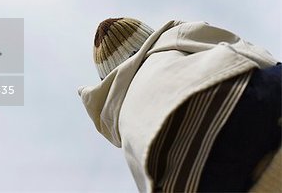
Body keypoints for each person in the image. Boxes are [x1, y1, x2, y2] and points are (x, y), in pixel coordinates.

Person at [78, 18, 281, 192]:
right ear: (148, 37)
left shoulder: (121, 121)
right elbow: (245, 51)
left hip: (197, 183)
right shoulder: (170, 40)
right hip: (242, 109)